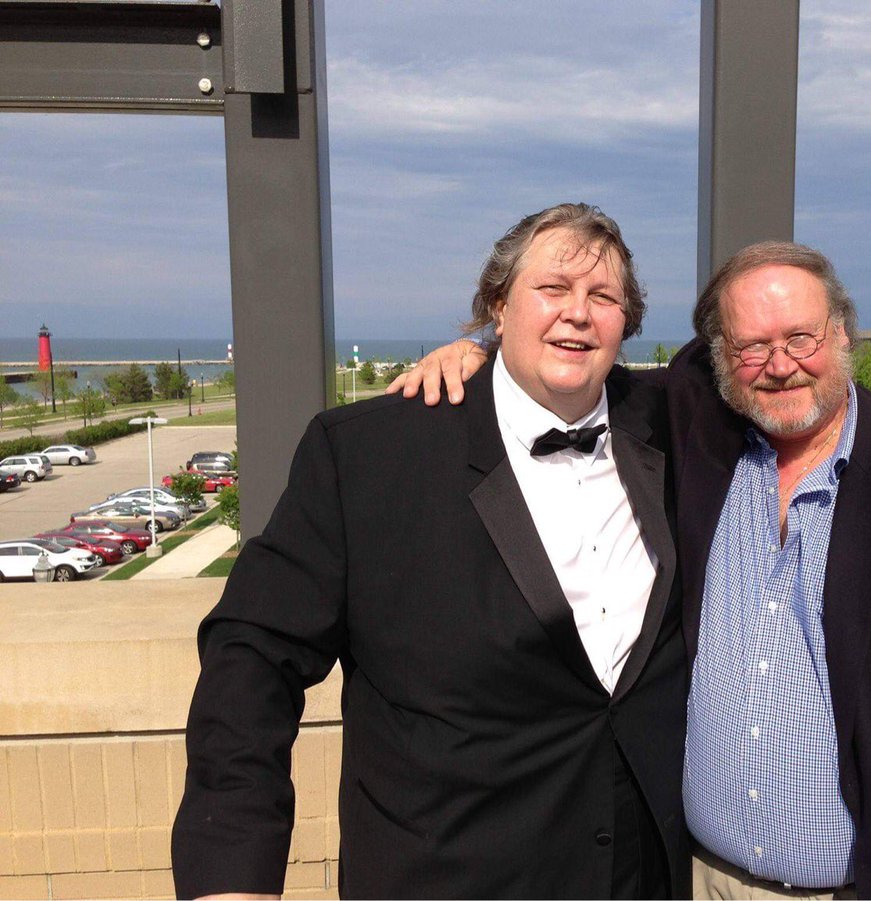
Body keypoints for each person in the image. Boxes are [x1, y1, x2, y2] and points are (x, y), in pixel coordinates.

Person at [390, 240, 871, 900]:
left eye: (801, 337)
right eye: (752, 346)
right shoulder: (702, 444)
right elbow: (581, 374)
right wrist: (484, 357)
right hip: (694, 879)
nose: (780, 365)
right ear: (724, 360)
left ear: (840, 332)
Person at [172, 203, 691, 899]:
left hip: (635, 880)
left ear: (626, 323)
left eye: (604, 296)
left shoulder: (670, 428)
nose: (578, 312)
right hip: (443, 878)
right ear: (496, 305)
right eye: (553, 288)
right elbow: (254, 655)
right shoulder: (370, 452)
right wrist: (233, 872)